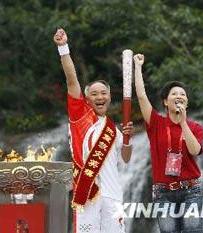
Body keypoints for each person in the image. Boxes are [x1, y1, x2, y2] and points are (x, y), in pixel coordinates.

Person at [53, 28, 134, 233]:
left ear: (109, 97)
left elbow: (125, 158)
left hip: (113, 195)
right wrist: (63, 48)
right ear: (87, 99)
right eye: (95, 94)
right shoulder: (80, 116)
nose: (100, 97)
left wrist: (127, 139)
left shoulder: (113, 130)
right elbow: (72, 80)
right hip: (87, 193)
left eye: (104, 93)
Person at [133, 54, 203, 233]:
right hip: (163, 192)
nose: (178, 96)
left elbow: (195, 151)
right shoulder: (156, 123)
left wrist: (183, 123)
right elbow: (141, 96)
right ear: (165, 101)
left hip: (191, 190)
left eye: (182, 94)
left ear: (186, 102)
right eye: (174, 93)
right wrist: (138, 66)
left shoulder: (195, 127)